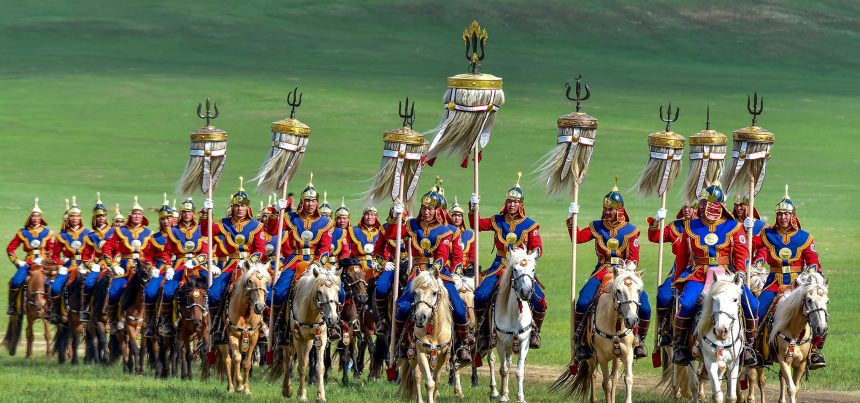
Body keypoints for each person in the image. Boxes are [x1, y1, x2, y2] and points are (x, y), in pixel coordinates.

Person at [384, 185, 474, 363]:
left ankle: (463, 344)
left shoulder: (446, 231)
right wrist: (394, 216)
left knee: (458, 306)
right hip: (417, 272)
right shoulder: (412, 225)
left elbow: (442, 256)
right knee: (403, 306)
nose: (426, 212)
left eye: (430, 209)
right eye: (424, 208)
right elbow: (392, 235)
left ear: (438, 211)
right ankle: (401, 343)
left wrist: (436, 274)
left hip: (439, 273)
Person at [671, 181, 758, 366]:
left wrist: (740, 273)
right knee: (686, 303)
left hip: (726, 275)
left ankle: (749, 346)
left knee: (752, 304)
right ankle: (679, 346)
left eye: (706, 203)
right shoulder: (691, 226)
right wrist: (678, 280)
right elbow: (681, 257)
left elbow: (742, 254)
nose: (702, 206)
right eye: (702, 202)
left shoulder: (734, 226)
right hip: (698, 274)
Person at [567, 180, 650, 359]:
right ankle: (581, 341)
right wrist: (571, 218)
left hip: (624, 273)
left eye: (610, 209)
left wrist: (630, 267)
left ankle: (639, 341)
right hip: (602, 271)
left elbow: (634, 257)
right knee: (583, 302)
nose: (607, 212)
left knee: (645, 307)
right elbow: (578, 238)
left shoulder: (631, 231)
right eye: (605, 209)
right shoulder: (597, 226)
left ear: (619, 210)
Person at [470, 173, 546, 349]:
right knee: (480, 296)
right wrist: (473, 209)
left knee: (540, 300)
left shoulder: (530, 225)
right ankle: (483, 333)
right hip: (500, 266)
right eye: (509, 201)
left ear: (521, 204)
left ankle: (535, 332)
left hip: (521, 268)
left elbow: (537, 247)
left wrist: (532, 256)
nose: (512, 205)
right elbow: (476, 225)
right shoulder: (497, 220)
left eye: (515, 202)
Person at [753, 186, 825, 369]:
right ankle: (754, 349)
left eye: (786, 214)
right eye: (780, 214)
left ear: (793, 215)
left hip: (797, 284)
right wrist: (746, 230)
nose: (783, 217)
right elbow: (755, 248)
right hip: (774, 283)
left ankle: (815, 351)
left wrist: (808, 275)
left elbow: (813, 262)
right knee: (757, 310)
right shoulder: (767, 235)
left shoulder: (805, 237)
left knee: (818, 310)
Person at [201, 177, 268, 344]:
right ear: (232, 207)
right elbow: (206, 232)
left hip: (251, 267)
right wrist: (205, 213)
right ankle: (217, 326)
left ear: (248, 207)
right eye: (237, 205)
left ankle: (263, 326)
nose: (240, 209)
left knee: (269, 293)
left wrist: (249, 261)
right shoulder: (224, 224)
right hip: (231, 266)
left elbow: (260, 250)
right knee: (214, 293)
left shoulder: (257, 226)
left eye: (243, 205)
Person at [269, 175, 332, 344]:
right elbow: (272, 231)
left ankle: (334, 325)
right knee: (278, 292)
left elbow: (325, 247)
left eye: (313, 201)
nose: (310, 204)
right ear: (302, 202)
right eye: (307, 201)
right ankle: (279, 327)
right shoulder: (290, 218)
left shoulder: (326, 222)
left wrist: (317, 264)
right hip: (294, 259)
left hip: (316, 262)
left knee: (337, 291)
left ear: (317, 203)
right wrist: (276, 211)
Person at [156, 197, 210, 337]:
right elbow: (166, 252)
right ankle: (167, 322)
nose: (187, 214)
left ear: (193, 214)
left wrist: (196, 261)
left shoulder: (201, 230)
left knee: (213, 288)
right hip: (180, 265)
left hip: (198, 266)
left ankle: (215, 320)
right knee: (168, 290)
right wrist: (168, 267)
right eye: (184, 212)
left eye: (189, 211)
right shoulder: (173, 231)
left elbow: (205, 252)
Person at [101, 197, 156, 332]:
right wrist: (113, 265)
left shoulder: (149, 233)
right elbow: (107, 247)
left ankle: (155, 320)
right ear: (130, 216)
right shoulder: (120, 230)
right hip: (125, 268)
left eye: (139, 214)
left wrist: (152, 267)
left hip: (144, 268)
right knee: (113, 292)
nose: (137, 216)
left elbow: (152, 253)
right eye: (134, 214)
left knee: (154, 291)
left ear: (143, 216)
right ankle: (113, 320)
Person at [646, 202, 696, 347]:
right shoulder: (675, 227)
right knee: (664, 295)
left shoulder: (702, 225)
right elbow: (655, 237)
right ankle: (665, 328)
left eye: (690, 207)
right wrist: (656, 221)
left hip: (699, 268)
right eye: (684, 207)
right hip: (679, 268)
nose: (687, 210)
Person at [48, 197, 95, 324]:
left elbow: (93, 251)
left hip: (86, 264)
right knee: (55, 287)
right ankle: (56, 312)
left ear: (80, 218)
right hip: (69, 265)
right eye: (72, 216)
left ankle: (94, 311)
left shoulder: (88, 233)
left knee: (97, 284)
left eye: (77, 216)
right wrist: (60, 266)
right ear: (68, 218)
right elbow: (55, 254)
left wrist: (90, 263)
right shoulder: (62, 235)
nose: (74, 218)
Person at [6, 198, 54, 316]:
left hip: (43, 264)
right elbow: (10, 249)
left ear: (41, 217)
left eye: (38, 216)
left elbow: (52, 250)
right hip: (29, 263)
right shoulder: (22, 232)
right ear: (30, 217)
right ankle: (13, 306)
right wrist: (17, 261)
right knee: (16, 281)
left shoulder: (48, 232)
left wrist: (44, 259)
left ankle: (54, 309)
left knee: (53, 283)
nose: (35, 218)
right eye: (33, 216)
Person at [141, 195, 174, 337]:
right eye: (163, 219)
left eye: (168, 218)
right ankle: (150, 322)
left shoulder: (180, 233)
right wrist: (151, 267)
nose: (165, 221)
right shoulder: (154, 238)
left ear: (172, 218)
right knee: (150, 291)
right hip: (160, 268)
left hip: (179, 265)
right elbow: (148, 256)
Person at [81, 193, 110, 322]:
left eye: (103, 216)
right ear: (94, 218)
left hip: (114, 264)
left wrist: (116, 263)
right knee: (88, 283)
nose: (101, 218)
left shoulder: (114, 232)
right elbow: (85, 255)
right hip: (98, 264)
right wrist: (91, 265)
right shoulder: (90, 236)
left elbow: (119, 250)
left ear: (106, 217)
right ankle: (86, 308)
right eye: (98, 216)